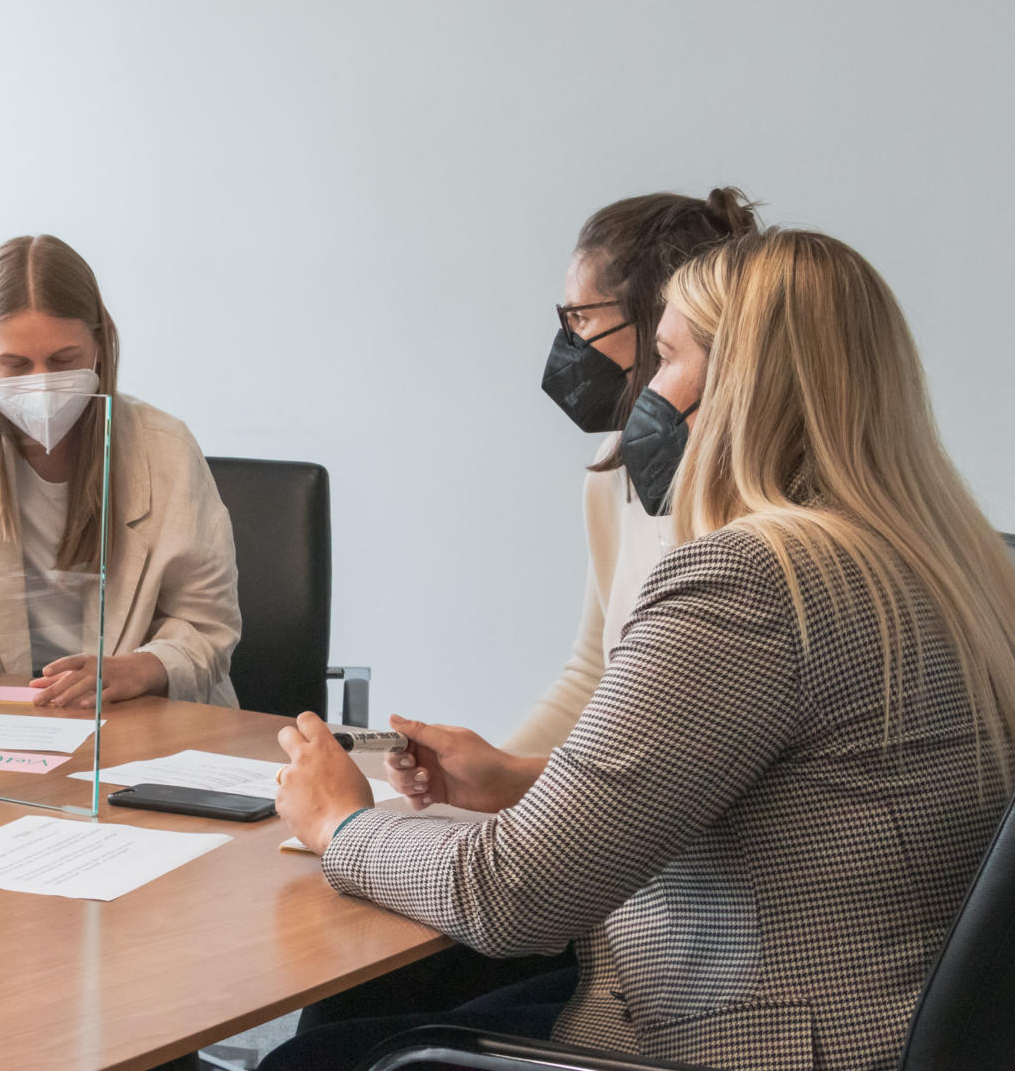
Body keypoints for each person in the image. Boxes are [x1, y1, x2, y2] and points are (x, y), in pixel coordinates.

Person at [268, 229, 1015, 1071]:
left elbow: (513, 895)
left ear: (741, 384)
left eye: (665, 359)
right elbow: (787, 787)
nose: (648, 393)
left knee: (314, 1059)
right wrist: (524, 780)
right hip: (893, 1024)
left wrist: (341, 822)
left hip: (740, 1039)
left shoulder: (755, 580)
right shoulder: (952, 561)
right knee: (376, 1004)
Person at [294, 188, 761, 1035]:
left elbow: (531, 886)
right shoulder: (621, 472)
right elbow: (601, 681)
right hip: (636, 898)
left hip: (680, 962)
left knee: (333, 1039)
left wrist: (344, 824)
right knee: (351, 1002)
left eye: (582, 317)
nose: (566, 345)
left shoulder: (740, 575)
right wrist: (502, 775)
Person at [0, 233, 240, 708]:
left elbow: (206, 625)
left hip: (140, 718)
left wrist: (140, 669)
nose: (41, 386)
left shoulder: (164, 448)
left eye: (63, 361)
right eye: (15, 364)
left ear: (100, 346)